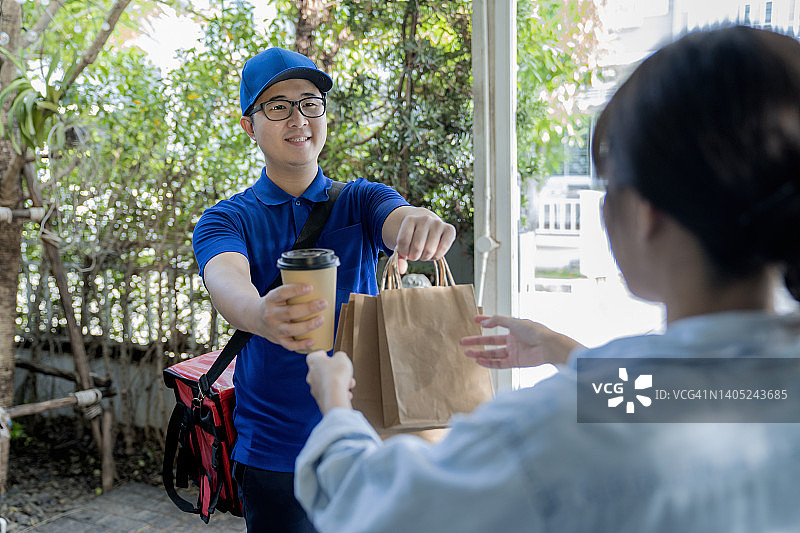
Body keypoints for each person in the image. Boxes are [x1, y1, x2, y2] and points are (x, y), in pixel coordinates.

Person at [295, 26, 800, 532]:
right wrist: (561, 350)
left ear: (647, 213)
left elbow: (379, 511)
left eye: (609, 185)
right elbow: (688, 394)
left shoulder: (545, 434)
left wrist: (337, 408)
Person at [192, 47, 455, 533]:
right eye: (278, 106)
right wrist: (259, 313)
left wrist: (418, 226)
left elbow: (395, 221)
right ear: (250, 125)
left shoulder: (360, 200)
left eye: (310, 102)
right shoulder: (227, 218)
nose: (299, 118)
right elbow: (224, 278)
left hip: (364, 440)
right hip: (274, 453)